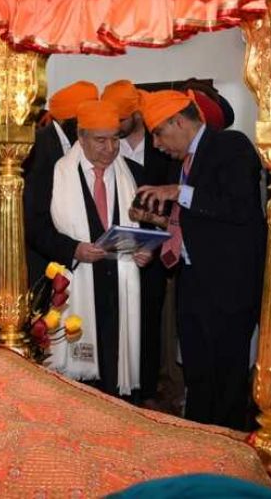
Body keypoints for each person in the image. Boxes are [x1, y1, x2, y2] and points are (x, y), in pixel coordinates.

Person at [137, 90, 266, 429]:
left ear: (179, 122)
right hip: (193, 282)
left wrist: (179, 192)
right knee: (197, 376)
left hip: (228, 289)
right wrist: (157, 223)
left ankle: (227, 446)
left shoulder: (230, 146)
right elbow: (199, 222)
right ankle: (197, 439)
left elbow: (240, 208)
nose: (157, 144)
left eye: (159, 133)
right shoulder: (183, 163)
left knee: (226, 382)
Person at [48, 99, 152, 396]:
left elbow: (147, 223)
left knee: (114, 361)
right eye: (100, 140)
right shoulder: (56, 173)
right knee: (78, 384)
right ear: (81, 138)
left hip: (120, 283)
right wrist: (73, 248)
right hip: (76, 279)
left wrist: (145, 249)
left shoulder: (133, 173)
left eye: (115, 139)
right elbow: (37, 226)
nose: (110, 149)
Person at [101, 79, 171, 404]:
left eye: (120, 119)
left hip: (152, 249)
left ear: (137, 115)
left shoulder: (162, 147)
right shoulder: (106, 147)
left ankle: (145, 389)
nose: (114, 126)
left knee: (149, 320)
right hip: (113, 250)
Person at [25, 81, 99, 281]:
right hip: (43, 263)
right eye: (86, 119)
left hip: (77, 258)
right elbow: (32, 218)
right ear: (68, 118)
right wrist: (71, 249)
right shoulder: (37, 148)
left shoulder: (78, 146)